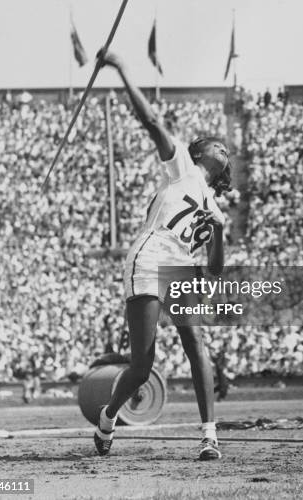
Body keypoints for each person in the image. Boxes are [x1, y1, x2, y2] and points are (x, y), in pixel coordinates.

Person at [93, 50, 231, 460]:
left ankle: (209, 435)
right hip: (151, 258)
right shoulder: (182, 167)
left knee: (195, 342)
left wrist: (219, 232)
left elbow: (216, 271)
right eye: (217, 145)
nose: (223, 149)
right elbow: (151, 122)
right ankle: (108, 418)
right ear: (200, 151)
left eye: (226, 150)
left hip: (183, 268)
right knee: (141, 365)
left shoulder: (216, 207)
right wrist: (122, 69)